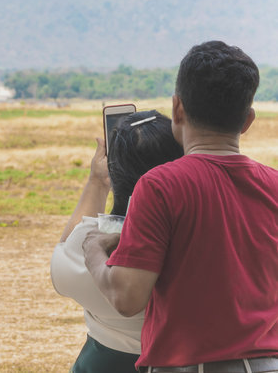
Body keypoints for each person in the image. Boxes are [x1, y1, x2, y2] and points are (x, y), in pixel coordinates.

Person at [83, 41, 278, 373]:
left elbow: (128, 298)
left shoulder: (160, 186)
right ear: (247, 120)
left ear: (177, 109)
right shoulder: (273, 185)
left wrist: (93, 251)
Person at [50, 110, 184, 373]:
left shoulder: (86, 244)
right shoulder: (195, 241)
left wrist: (97, 182)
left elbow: (64, 251)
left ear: (115, 169)